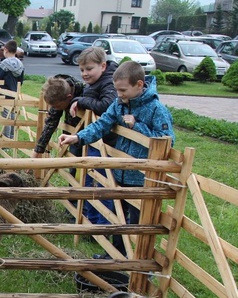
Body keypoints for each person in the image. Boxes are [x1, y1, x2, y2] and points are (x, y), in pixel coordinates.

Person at [58, 61, 175, 254]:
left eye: (123, 90)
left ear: (139, 85)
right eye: (117, 90)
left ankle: (138, 265)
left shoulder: (156, 110)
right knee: (118, 219)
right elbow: (102, 124)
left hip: (141, 178)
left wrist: (137, 127)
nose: (119, 94)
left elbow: (168, 140)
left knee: (137, 224)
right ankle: (114, 256)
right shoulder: (119, 104)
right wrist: (78, 137)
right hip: (120, 173)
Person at [70, 47, 119, 226]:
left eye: (89, 69)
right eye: (82, 70)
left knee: (102, 184)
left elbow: (107, 105)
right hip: (97, 141)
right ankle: (91, 221)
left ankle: (101, 225)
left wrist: (80, 101)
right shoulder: (98, 82)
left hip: (107, 144)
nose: (84, 73)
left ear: (103, 66)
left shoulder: (109, 83)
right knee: (91, 180)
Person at [30, 73, 85, 158]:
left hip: (89, 134)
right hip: (73, 134)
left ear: (69, 97)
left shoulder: (85, 92)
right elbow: (51, 123)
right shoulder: (59, 94)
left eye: (57, 106)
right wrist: (38, 150)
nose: (55, 108)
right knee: (73, 159)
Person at [0, 40, 24, 140]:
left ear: (6, 50)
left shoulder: (4, 64)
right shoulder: (20, 64)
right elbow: (21, 80)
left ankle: (6, 140)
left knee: (6, 117)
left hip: (5, 93)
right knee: (12, 115)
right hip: (15, 92)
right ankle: (12, 138)